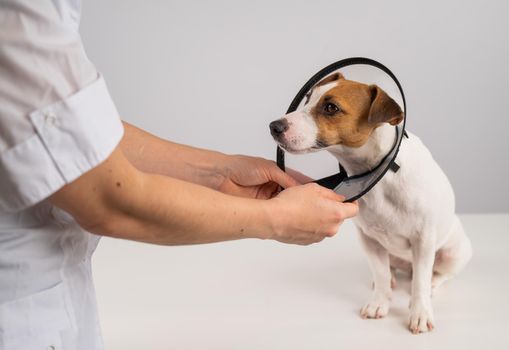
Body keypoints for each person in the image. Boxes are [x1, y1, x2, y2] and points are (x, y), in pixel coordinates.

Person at [0, 0, 359, 349]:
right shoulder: (20, 19)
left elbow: (74, 131)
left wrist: (219, 172)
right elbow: (110, 202)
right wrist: (276, 219)